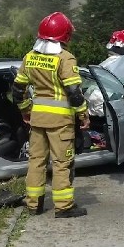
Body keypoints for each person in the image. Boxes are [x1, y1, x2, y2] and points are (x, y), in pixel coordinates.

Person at [12, 11, 89, 218]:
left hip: (38, 119)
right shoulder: (65, 59)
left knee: (36, 161)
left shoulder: (29, 57)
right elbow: (74, 93)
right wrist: (83, 115)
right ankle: (64, 207)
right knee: (61, 163)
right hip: (60, 122)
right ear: (65, 36)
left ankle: (33, 204)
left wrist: (26, 110)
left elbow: (18, 90)